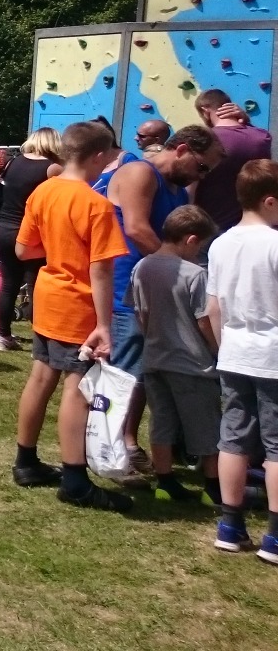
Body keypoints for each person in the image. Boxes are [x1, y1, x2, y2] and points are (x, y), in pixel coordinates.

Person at [11, 120, 130, 511]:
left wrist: (59, 250)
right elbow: (101, 270)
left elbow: (24, 250)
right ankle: (75, 479)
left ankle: (26, 460)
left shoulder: (44, 191)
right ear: (99, 156)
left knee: (41, 375)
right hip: (78, 304)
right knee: (78, 389)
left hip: (48, 295)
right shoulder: (97, 205)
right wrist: (105, 326)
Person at [95, 123, 220, 472]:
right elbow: (136, 229)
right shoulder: (139, 173)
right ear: (181, 150)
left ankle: (128, 441)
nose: (203, 175)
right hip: (127, 291)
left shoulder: (177, 189)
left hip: (155, 291)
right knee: (126, 372)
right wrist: (179, 272)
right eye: (202, 167)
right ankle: (111, 446)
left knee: (147, 373)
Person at [207, 159, 278, 557]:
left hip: (234, 352)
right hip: (272, 355)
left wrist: (222, 347)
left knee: (232, 440)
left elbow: (214, 306)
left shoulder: (220, 243)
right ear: (269, 201)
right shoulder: (274, 244)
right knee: (276, 445)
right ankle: (275, 535)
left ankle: (230, 524)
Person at [132, 204, 222, 505]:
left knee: (162, 422)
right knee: (207, 424)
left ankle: (165, 482)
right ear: (191, 240)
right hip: (192, 363)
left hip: (155, 358)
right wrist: (217, 348)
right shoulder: (195, 274)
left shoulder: (142, 266)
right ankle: (213, 487)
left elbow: (139, 313)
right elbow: (204, 319)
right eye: (201, 247)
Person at [0, 128, 65, 352]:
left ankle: (3, 336)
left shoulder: (13, 163)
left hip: (4, 228)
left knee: (9, 284)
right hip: (32, 231)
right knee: (36, 285)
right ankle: (40, 338)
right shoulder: (53, 168)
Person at [197, 89, 274, 231]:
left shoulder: (204, 141)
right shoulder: (262, 137)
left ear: (205, 111)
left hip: (214, 226)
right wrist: (246, 120)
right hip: (259, 225)